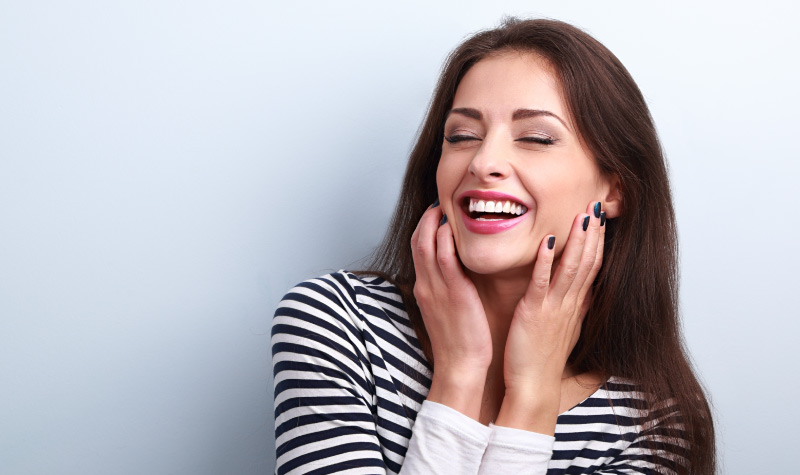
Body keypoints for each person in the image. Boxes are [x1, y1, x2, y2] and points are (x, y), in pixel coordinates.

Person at [272, 17, 715, 475]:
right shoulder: (337, 323)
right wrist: (459, 376)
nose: (484, 162)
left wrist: (531, 394)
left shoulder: (654, 419)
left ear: (614, 190)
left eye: (536, 138)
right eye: (461, 137)